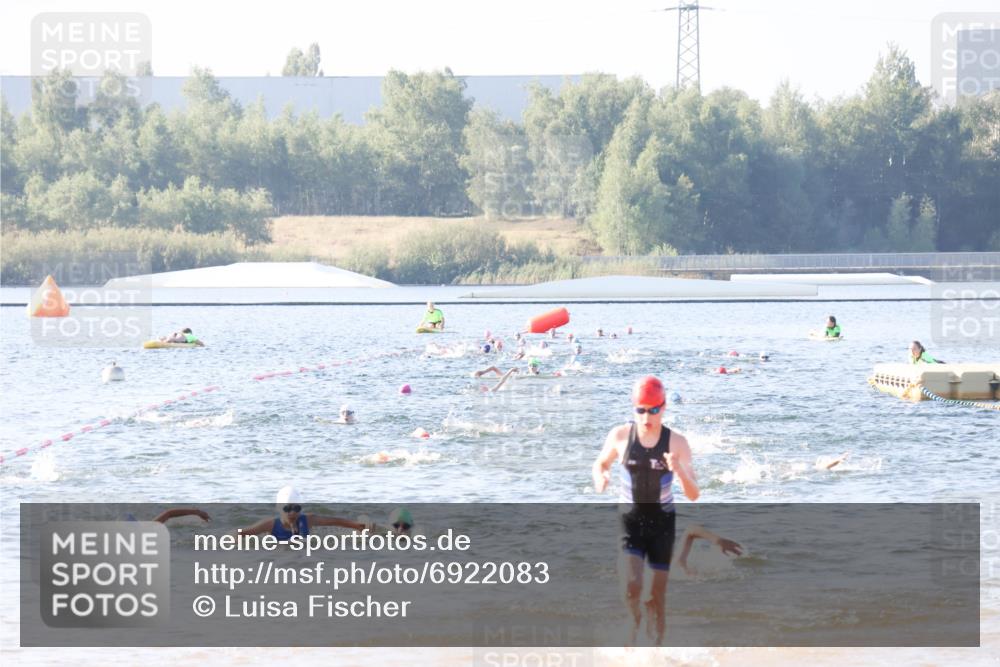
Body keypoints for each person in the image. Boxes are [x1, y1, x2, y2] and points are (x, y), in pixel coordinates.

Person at [591, 376, 699, 646]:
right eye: (640, 410)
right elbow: (600, 463)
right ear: (633, 408)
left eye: (653, 410)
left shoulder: (677, 443)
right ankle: (631, 630)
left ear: (663, 408)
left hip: (662, 523)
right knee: (631, 588)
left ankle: (656, 651)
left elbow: (694, 494)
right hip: (630, 520)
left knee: (654, 595)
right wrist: (601, 478)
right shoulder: (620, 436)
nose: (646, 417)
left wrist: (680, 471)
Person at [240, 487, 368, 538]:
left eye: (296, 509)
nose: (292, 513)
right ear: (279, 509)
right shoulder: (270, 524)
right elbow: (242, 533)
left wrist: (358, 526)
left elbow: (335, 521)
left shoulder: (307, 520)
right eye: (287, 509)